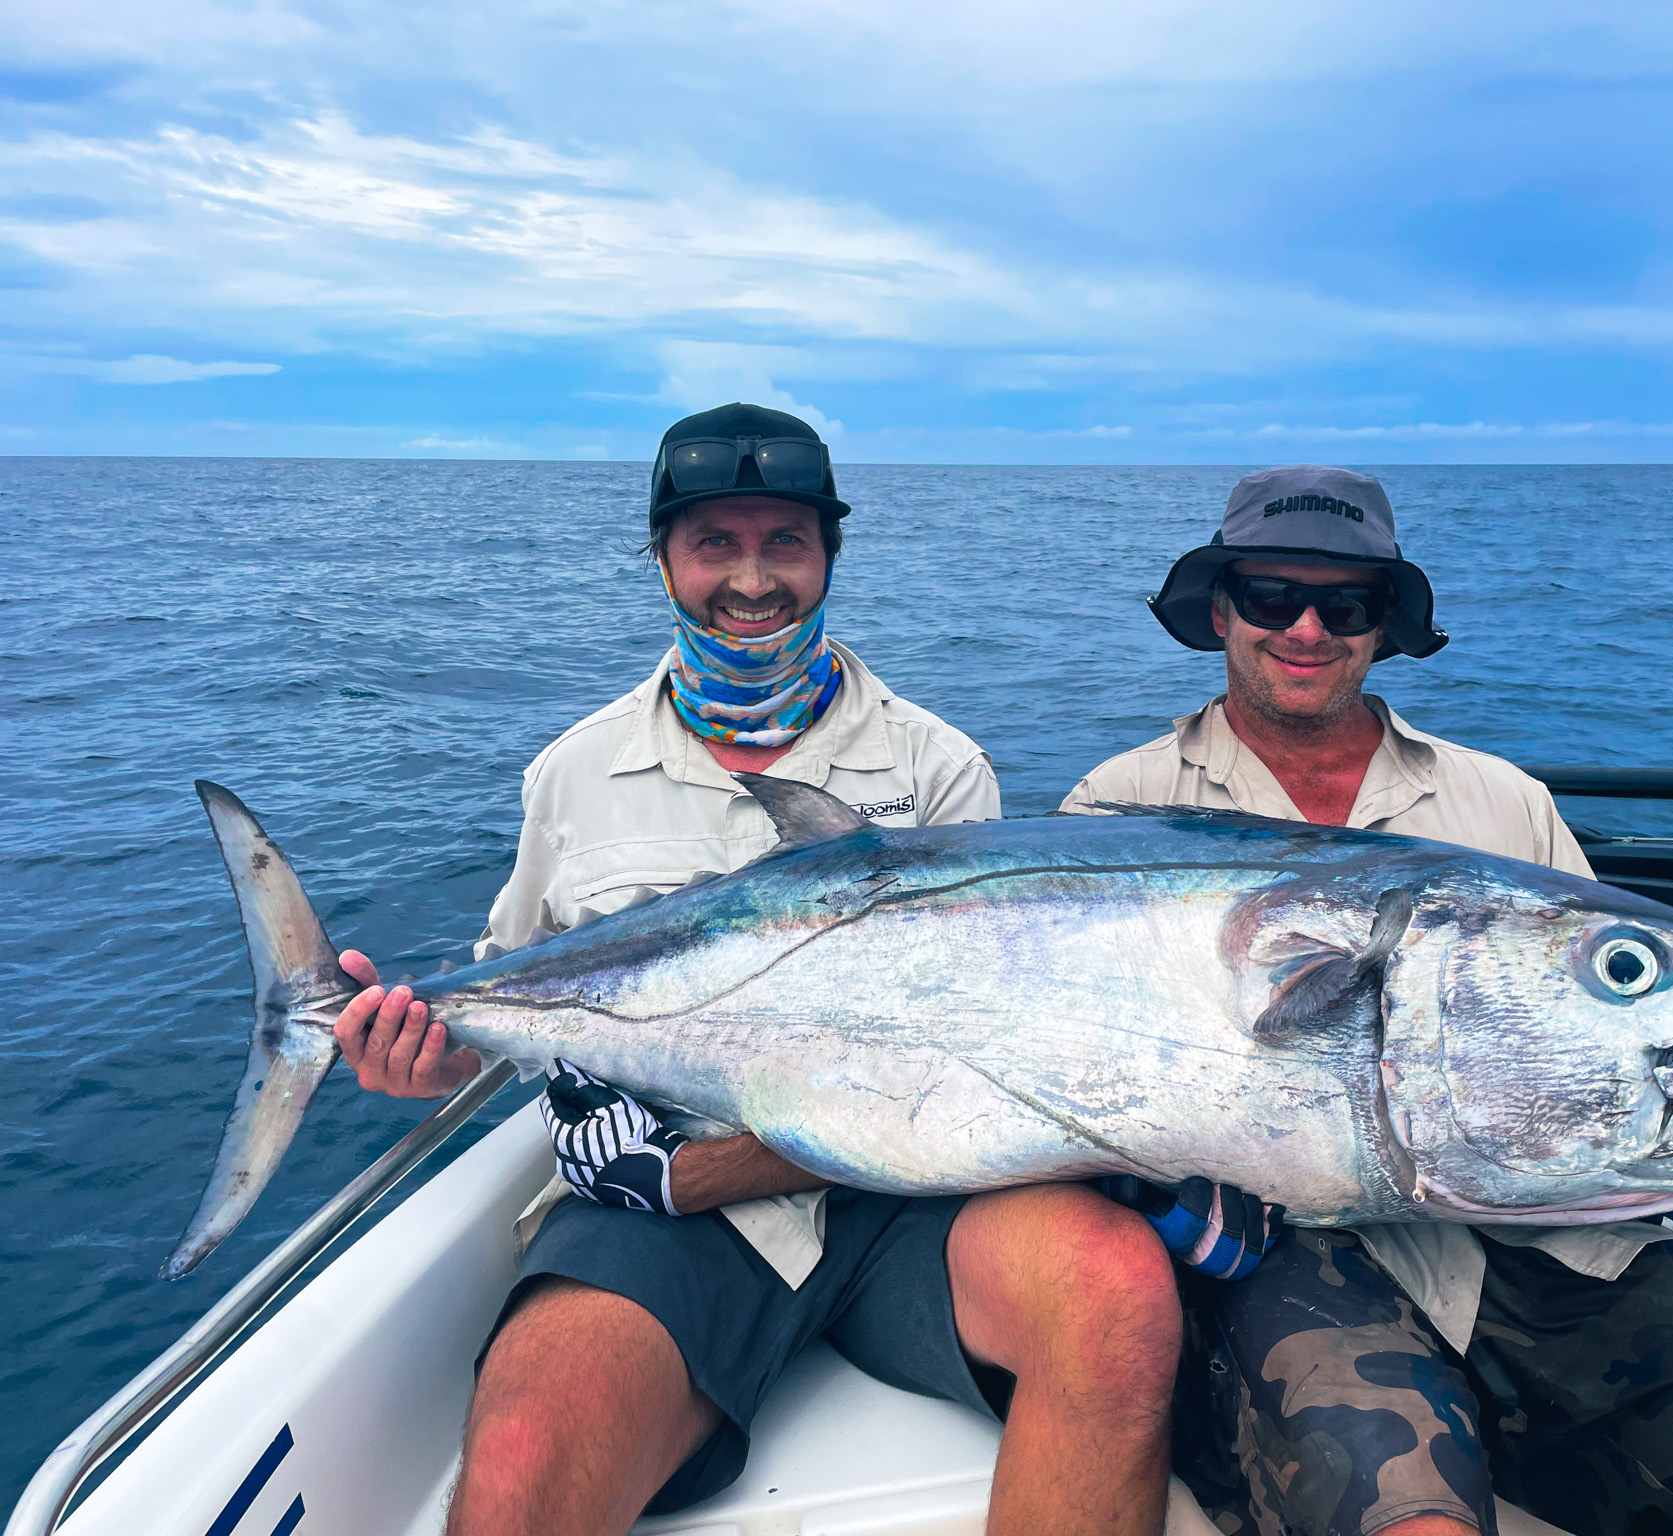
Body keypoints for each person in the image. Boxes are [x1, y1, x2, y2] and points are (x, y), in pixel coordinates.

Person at [333, 403, 1184, 1536]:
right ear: (663, 558)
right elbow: (512, 1003)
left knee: (1118, 1303)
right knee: (526, 1457)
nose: (750, 578)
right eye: (714, 544)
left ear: (828, 553)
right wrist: (418, 1057)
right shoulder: (574, 774)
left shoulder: (936, 767)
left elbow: (981, 1040)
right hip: (658, 1208)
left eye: (783, 541)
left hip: (914, 1201)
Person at [1066, 466, 1673, 1536]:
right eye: (1272, 597)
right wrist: (1143, 1186)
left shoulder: (1500, 802)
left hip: (1535, 1233)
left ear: (1381, 629)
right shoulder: (1117, 811)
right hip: (1273, 1251)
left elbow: (1611, 1024)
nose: (1306, 628)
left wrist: (1652, 1144)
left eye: (1346, 604)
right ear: (1220, 610)